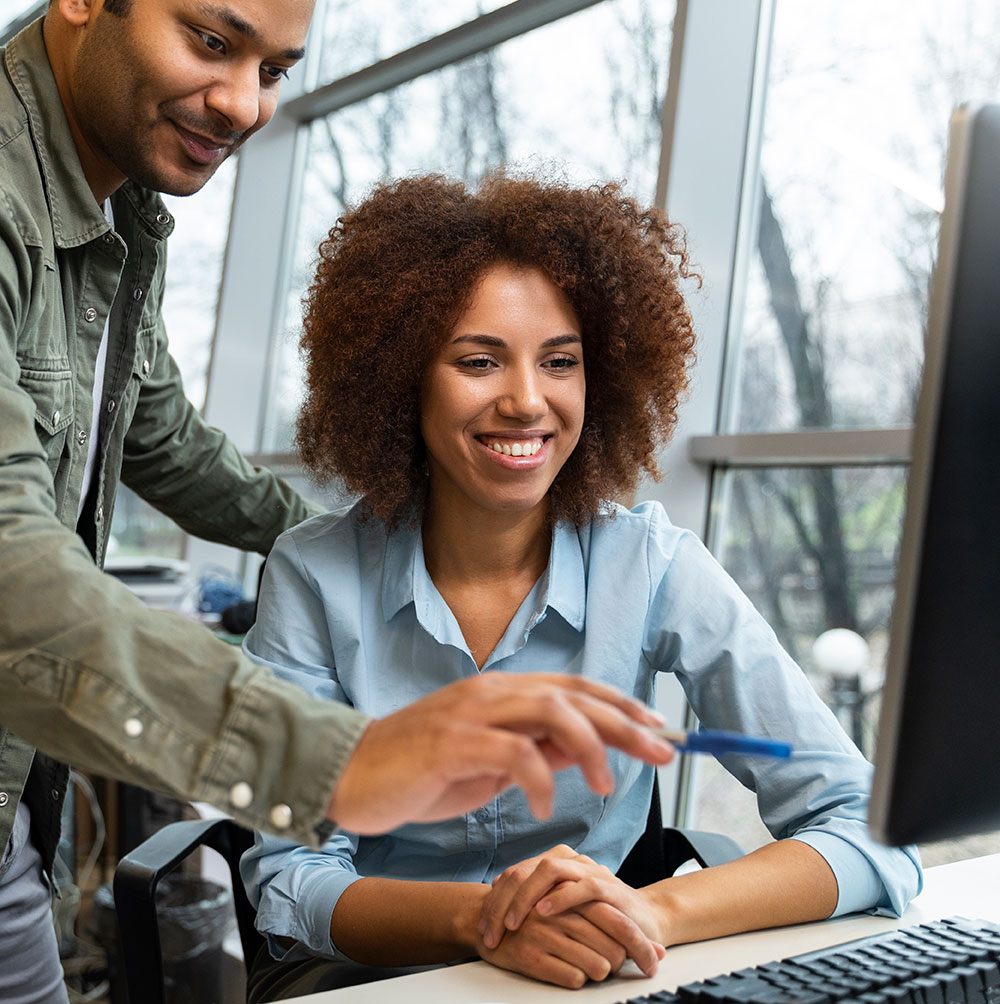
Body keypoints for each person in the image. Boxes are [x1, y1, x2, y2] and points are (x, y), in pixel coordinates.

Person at [0, 0, 674, 1001]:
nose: (246, 105)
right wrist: (341, 758)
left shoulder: (118, 210)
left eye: (274, 66)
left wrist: (360, 534)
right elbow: (6, 570)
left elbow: (159, 430)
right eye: (213, 44)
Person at [240, 172, 924, 999]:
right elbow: (291, 880)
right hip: (375, 976)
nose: (528, 401)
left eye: (559, 362)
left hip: (594, 969)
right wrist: (484, 919)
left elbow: (866, 828)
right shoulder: (312, 574)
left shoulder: (654, 564)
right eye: (479, 360)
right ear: (400, 379)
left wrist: (652, 914)